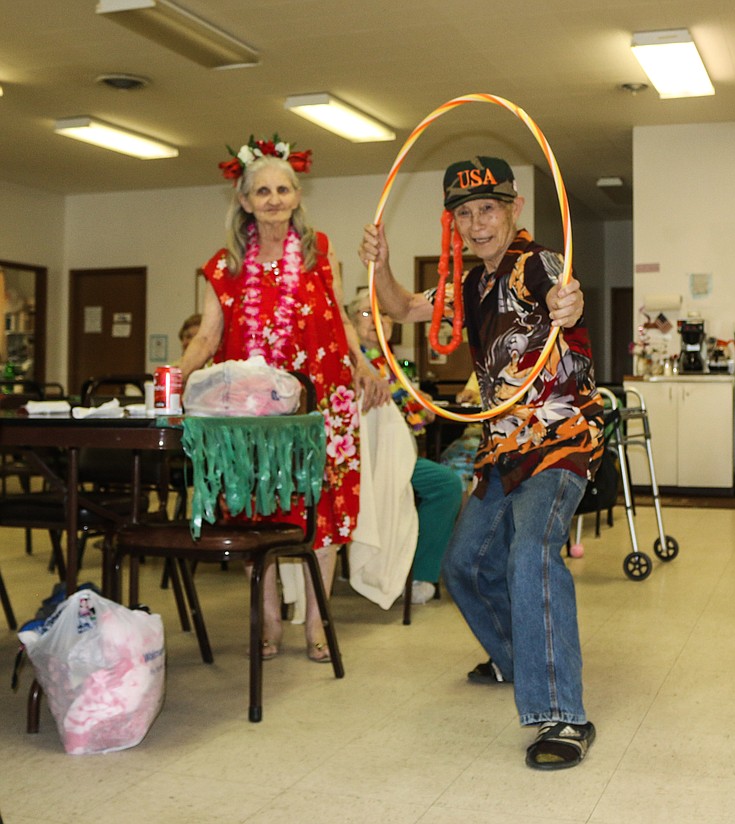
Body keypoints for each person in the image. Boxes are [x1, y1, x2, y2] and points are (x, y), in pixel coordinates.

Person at [360, 155, 602, 770]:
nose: (477, 223)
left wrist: (567, 306)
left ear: (512, 207)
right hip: (503, 451)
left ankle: (562, 714)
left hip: (559, 442)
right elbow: (401, 308)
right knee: (463, 564)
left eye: (487, 209)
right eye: (464, 213)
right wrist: (381, 266)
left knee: (531, 555)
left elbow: (563, 295)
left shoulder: (536, 262)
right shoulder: (470, 285)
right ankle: (518, 659)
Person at [181, 135, 390, 663]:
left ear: (297, 195)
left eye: (283, 189)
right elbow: (206, 338)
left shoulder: (320, 252)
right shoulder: (224, 268)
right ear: (245, 201)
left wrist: (363, 362)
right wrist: (171, 377)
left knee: (324, 517)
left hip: (324, 405)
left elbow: (341, 319)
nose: (273, 199)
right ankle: (269, 620)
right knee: (259, 512)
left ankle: (317, 626)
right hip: (251, 414)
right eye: (262, 191)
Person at [347, 291, 463, 603]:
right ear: (350, 321)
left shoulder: (390, 362)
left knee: (448, 483)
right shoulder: (350, 360)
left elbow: (417, 417)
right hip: (358, 462)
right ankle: (412, 573)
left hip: (394, 456)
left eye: (384, 314)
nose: (378, 321)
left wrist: (416, 408)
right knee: (446, 483)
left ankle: (417, 572)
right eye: (366, 313)